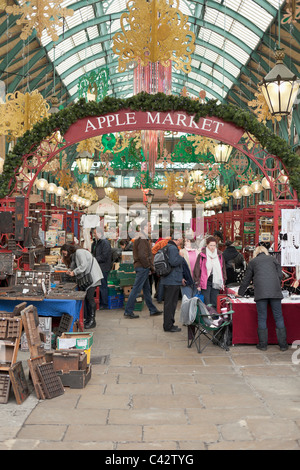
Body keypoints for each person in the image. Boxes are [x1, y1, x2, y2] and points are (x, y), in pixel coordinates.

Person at [237, 245, 288, 351]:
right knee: (278, 317)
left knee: (262, 317)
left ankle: (263, 345)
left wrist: (240, 293)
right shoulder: (273, 260)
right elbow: (280, 275)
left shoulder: (253, 262)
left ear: (256, 253)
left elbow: (246, 279)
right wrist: (275, 284)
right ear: (266, 252)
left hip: (260, 292)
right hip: (275, 291)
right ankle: (283, 345)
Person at [124, 220, 162, 319]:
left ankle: (152, 310)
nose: (151, 228)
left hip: (142, 267)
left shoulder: (143, 237)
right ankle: (128, 311)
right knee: (136, 289)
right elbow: (142, 255)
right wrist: (148, 266)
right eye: (149, 226)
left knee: (146, 289)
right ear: (144, 227)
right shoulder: (142, 238)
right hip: (142, 267)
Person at [60, 244, 103, 329]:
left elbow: (83, 265)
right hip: (89, 277)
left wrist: (74, 272)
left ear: (68, 250)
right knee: (87, 298)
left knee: (90, 298)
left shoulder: (79, 252)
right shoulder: (75, 254)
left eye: (64, 253)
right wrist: (70, 271)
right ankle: (88, 319)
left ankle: (92, 321)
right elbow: (74, 265)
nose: (64, 255)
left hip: (92, 277)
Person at [193, 236, 226, 307]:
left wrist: (223, 281)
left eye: (214, 245)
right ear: (207, 245)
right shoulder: (202, 255)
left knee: (214, 301)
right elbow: (197, 269)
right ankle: (207, 317)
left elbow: (223, 269)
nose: (212, 247)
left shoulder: (219, 255)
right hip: (205, 281)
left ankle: (214, 316)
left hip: (216, 280)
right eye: (211, 245)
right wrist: (198, 283)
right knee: (206, 302)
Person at [160, 235, 184, 332]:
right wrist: (181, 257)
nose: (182, 240)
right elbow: (174, 262)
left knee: (169, 303)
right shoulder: (173, 248)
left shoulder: (167, 246)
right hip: (172, 279)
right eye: (181, 238)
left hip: (168, 279)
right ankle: (169, 325)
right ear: (177, 239)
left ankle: (168, 324)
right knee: (171, 304)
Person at [91, 227, 112, 310]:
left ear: (100, 233)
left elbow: (104, 256)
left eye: (95, 233)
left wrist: (94, 259)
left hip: (103, 267)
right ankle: (101, 302)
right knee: (100, 285)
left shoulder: (105, 243)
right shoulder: (96, 243)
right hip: (98, 267)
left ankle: (105, 304)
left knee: (103, 285)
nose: (94, 235)